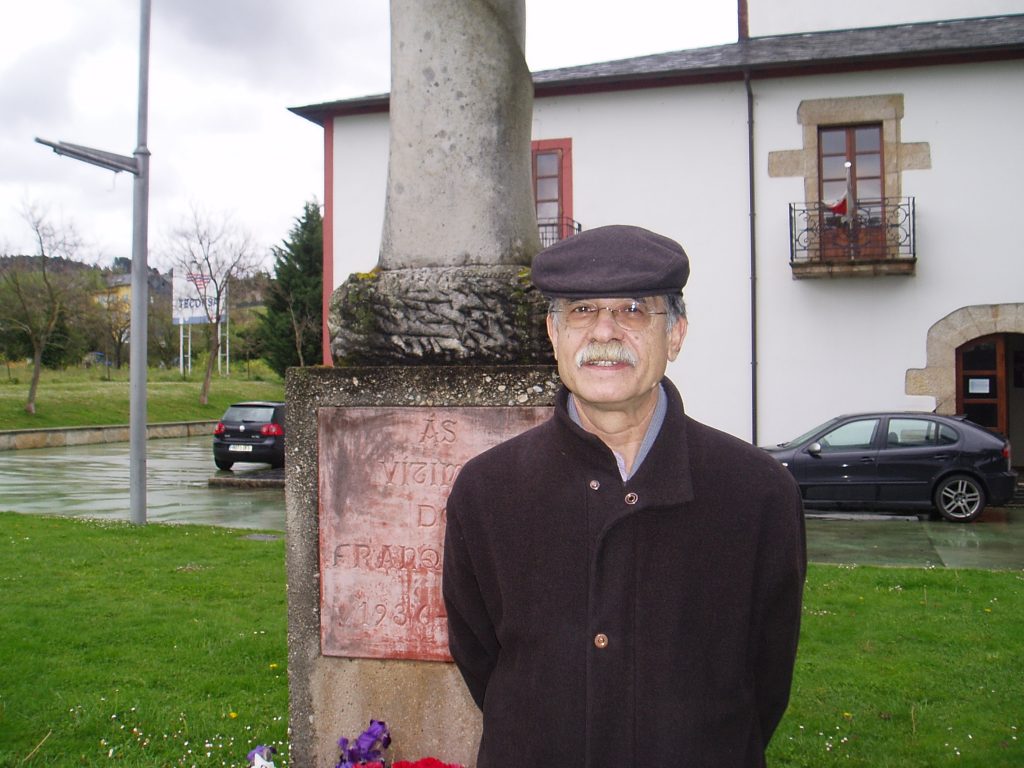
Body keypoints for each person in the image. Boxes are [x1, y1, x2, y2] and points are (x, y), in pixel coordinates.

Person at [442, 224, 806, 767]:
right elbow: (481, 657)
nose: (604, 331)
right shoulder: (487, 490)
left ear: (676, 334)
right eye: (581, 311)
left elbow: (767, 675)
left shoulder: (757, 493)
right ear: (553, 333)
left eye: (634, 309)